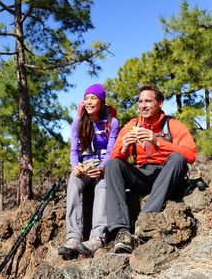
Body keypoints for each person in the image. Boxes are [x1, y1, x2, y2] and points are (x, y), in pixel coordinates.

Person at [105, 84, 197, 254]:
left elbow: (190, 154)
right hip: (142, 174)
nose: (143, 105)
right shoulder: (132, 125)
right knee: (112, 164)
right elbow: (114, 160)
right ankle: (121, 232)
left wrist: (158, 142)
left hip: (167, 175)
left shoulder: (173, 125)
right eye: (140, 101)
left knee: (178, 158)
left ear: (160, 103)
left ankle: (144, 221)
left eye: (148, 101)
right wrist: (124, 148)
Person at [58, 83, 119, 258]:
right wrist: (75, 165)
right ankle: (74, 237)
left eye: (93, 98)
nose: (89, 102)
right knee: (74, 182)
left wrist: (101, 168)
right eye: (86, 98)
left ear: (101, 101)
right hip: (84, 166)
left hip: (102, 166)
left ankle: (97, 237)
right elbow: (74, 150)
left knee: (103, 186)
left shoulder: (112, 122)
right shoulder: (78, 121)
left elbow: (111, 150)